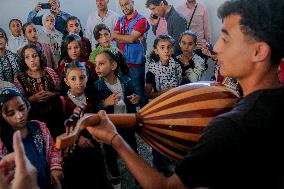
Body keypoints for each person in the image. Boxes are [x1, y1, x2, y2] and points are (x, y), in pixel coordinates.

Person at [85, 0, 284, 188]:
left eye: (226, 39)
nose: (216, 47)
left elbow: (164, 186)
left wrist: (114, 139)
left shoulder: (231, 126)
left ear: (258, 52)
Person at [0, 87, 63, 189]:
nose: (20, 116)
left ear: (27, 105)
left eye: (22, 108)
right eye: (11, 113)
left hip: (47, 181)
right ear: (2, 116)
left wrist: (55, 167)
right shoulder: (2, 139)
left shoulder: (39, 126)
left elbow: (52, 149)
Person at [94, 50, 139, 189]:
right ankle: (115, 178)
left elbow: (134, 99)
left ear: (113, 66)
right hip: (109, 128)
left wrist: (135, 101)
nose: (97, 67)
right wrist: (104, 104)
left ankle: (138, 176)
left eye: (101, 63)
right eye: (96, 64)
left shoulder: (126, 81)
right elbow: (94, 109)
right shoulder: (97, 86)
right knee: (110, 154)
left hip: (127, 125)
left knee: (132, 151)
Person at [62, 61, 109, 189]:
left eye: (82, 77)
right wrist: (77, 137)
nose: (79, 82)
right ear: (66, 81)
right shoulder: (62, 102)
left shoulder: (91, 98)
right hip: (74, 150)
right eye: (73, 78)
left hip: (93, 143)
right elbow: (59, 127)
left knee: (96, 177)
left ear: (87, 77)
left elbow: (96, 118)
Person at [145, 34, 182, 176]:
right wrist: (166, 92)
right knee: (159, 137)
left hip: (174, 107)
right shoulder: (152, 71)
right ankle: (160, 165)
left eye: (169, 47)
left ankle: (171, 157)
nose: (166, 50)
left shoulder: (176, 66)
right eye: (162, 48)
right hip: (158, 109)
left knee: (172, 135)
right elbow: (147, 95)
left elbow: (178, 84)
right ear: (156, 50)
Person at [14, 44, 65, 140]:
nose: (32, 60)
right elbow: (18, 104)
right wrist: (31, 99)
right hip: (34, 123)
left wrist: (52, 94)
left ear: (40, 57)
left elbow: (62, 92)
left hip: (55, 120)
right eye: (27, 57)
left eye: (34, 56)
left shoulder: (49, 72)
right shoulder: (19, 79)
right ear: (24, 61)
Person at [113, 0, 150, 107]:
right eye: (122, 5)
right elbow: (114, 36)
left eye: (127, 4)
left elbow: (131, 38)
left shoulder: (141, 20)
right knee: (126, 93)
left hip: (136, 63)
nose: (124, 7)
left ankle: (143, 119)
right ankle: (130, 119)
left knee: (139, 94)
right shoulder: (120, 20)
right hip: (122, 63)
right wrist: (130, 38)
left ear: (132, 2)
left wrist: (127, 38)